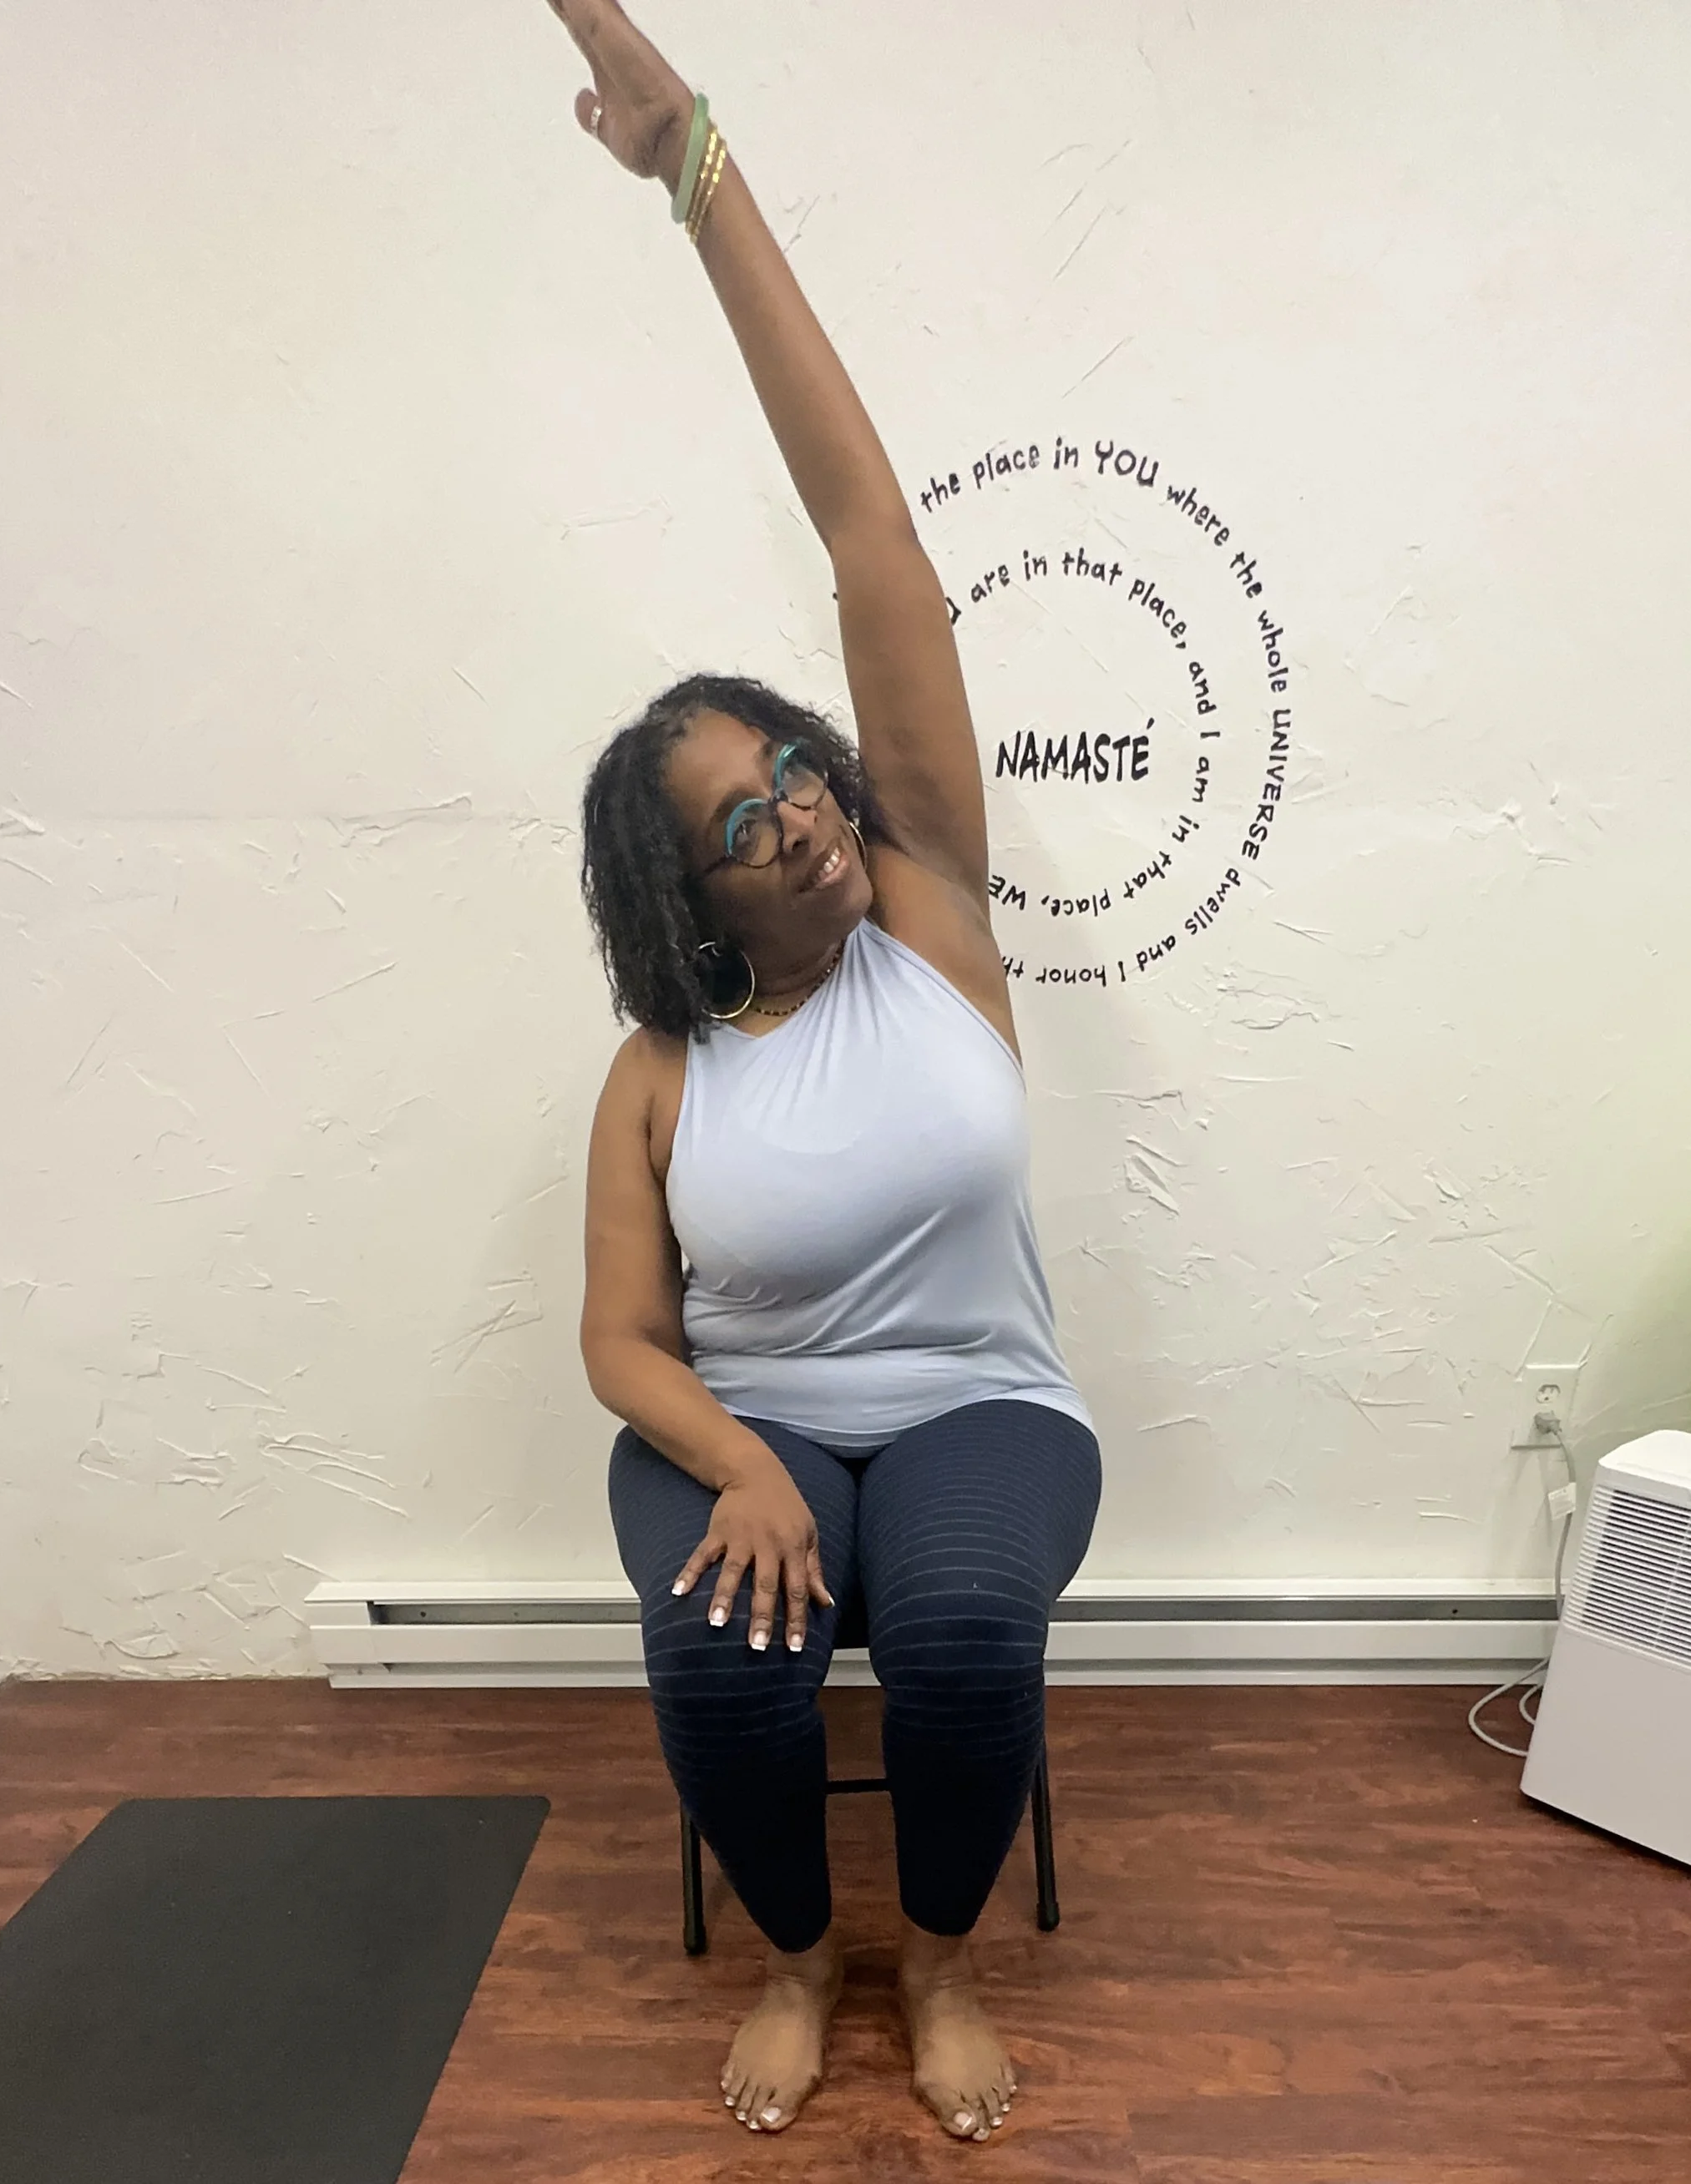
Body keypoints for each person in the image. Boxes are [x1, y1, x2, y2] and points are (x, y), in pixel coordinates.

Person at [554, 0, 1102, 2143]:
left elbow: (867, 526)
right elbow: (619, 1342)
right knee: (719, 1649)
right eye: (738, 820)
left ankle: (936, 1965)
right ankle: (799, 1960)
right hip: (744, 1421)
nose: (793, 813)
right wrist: (743, 1466)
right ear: (687, 900)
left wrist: (694, 169)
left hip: (981, 1405)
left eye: (790, 766)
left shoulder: (931, 911)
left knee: (956, 1634)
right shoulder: (657, 1072)